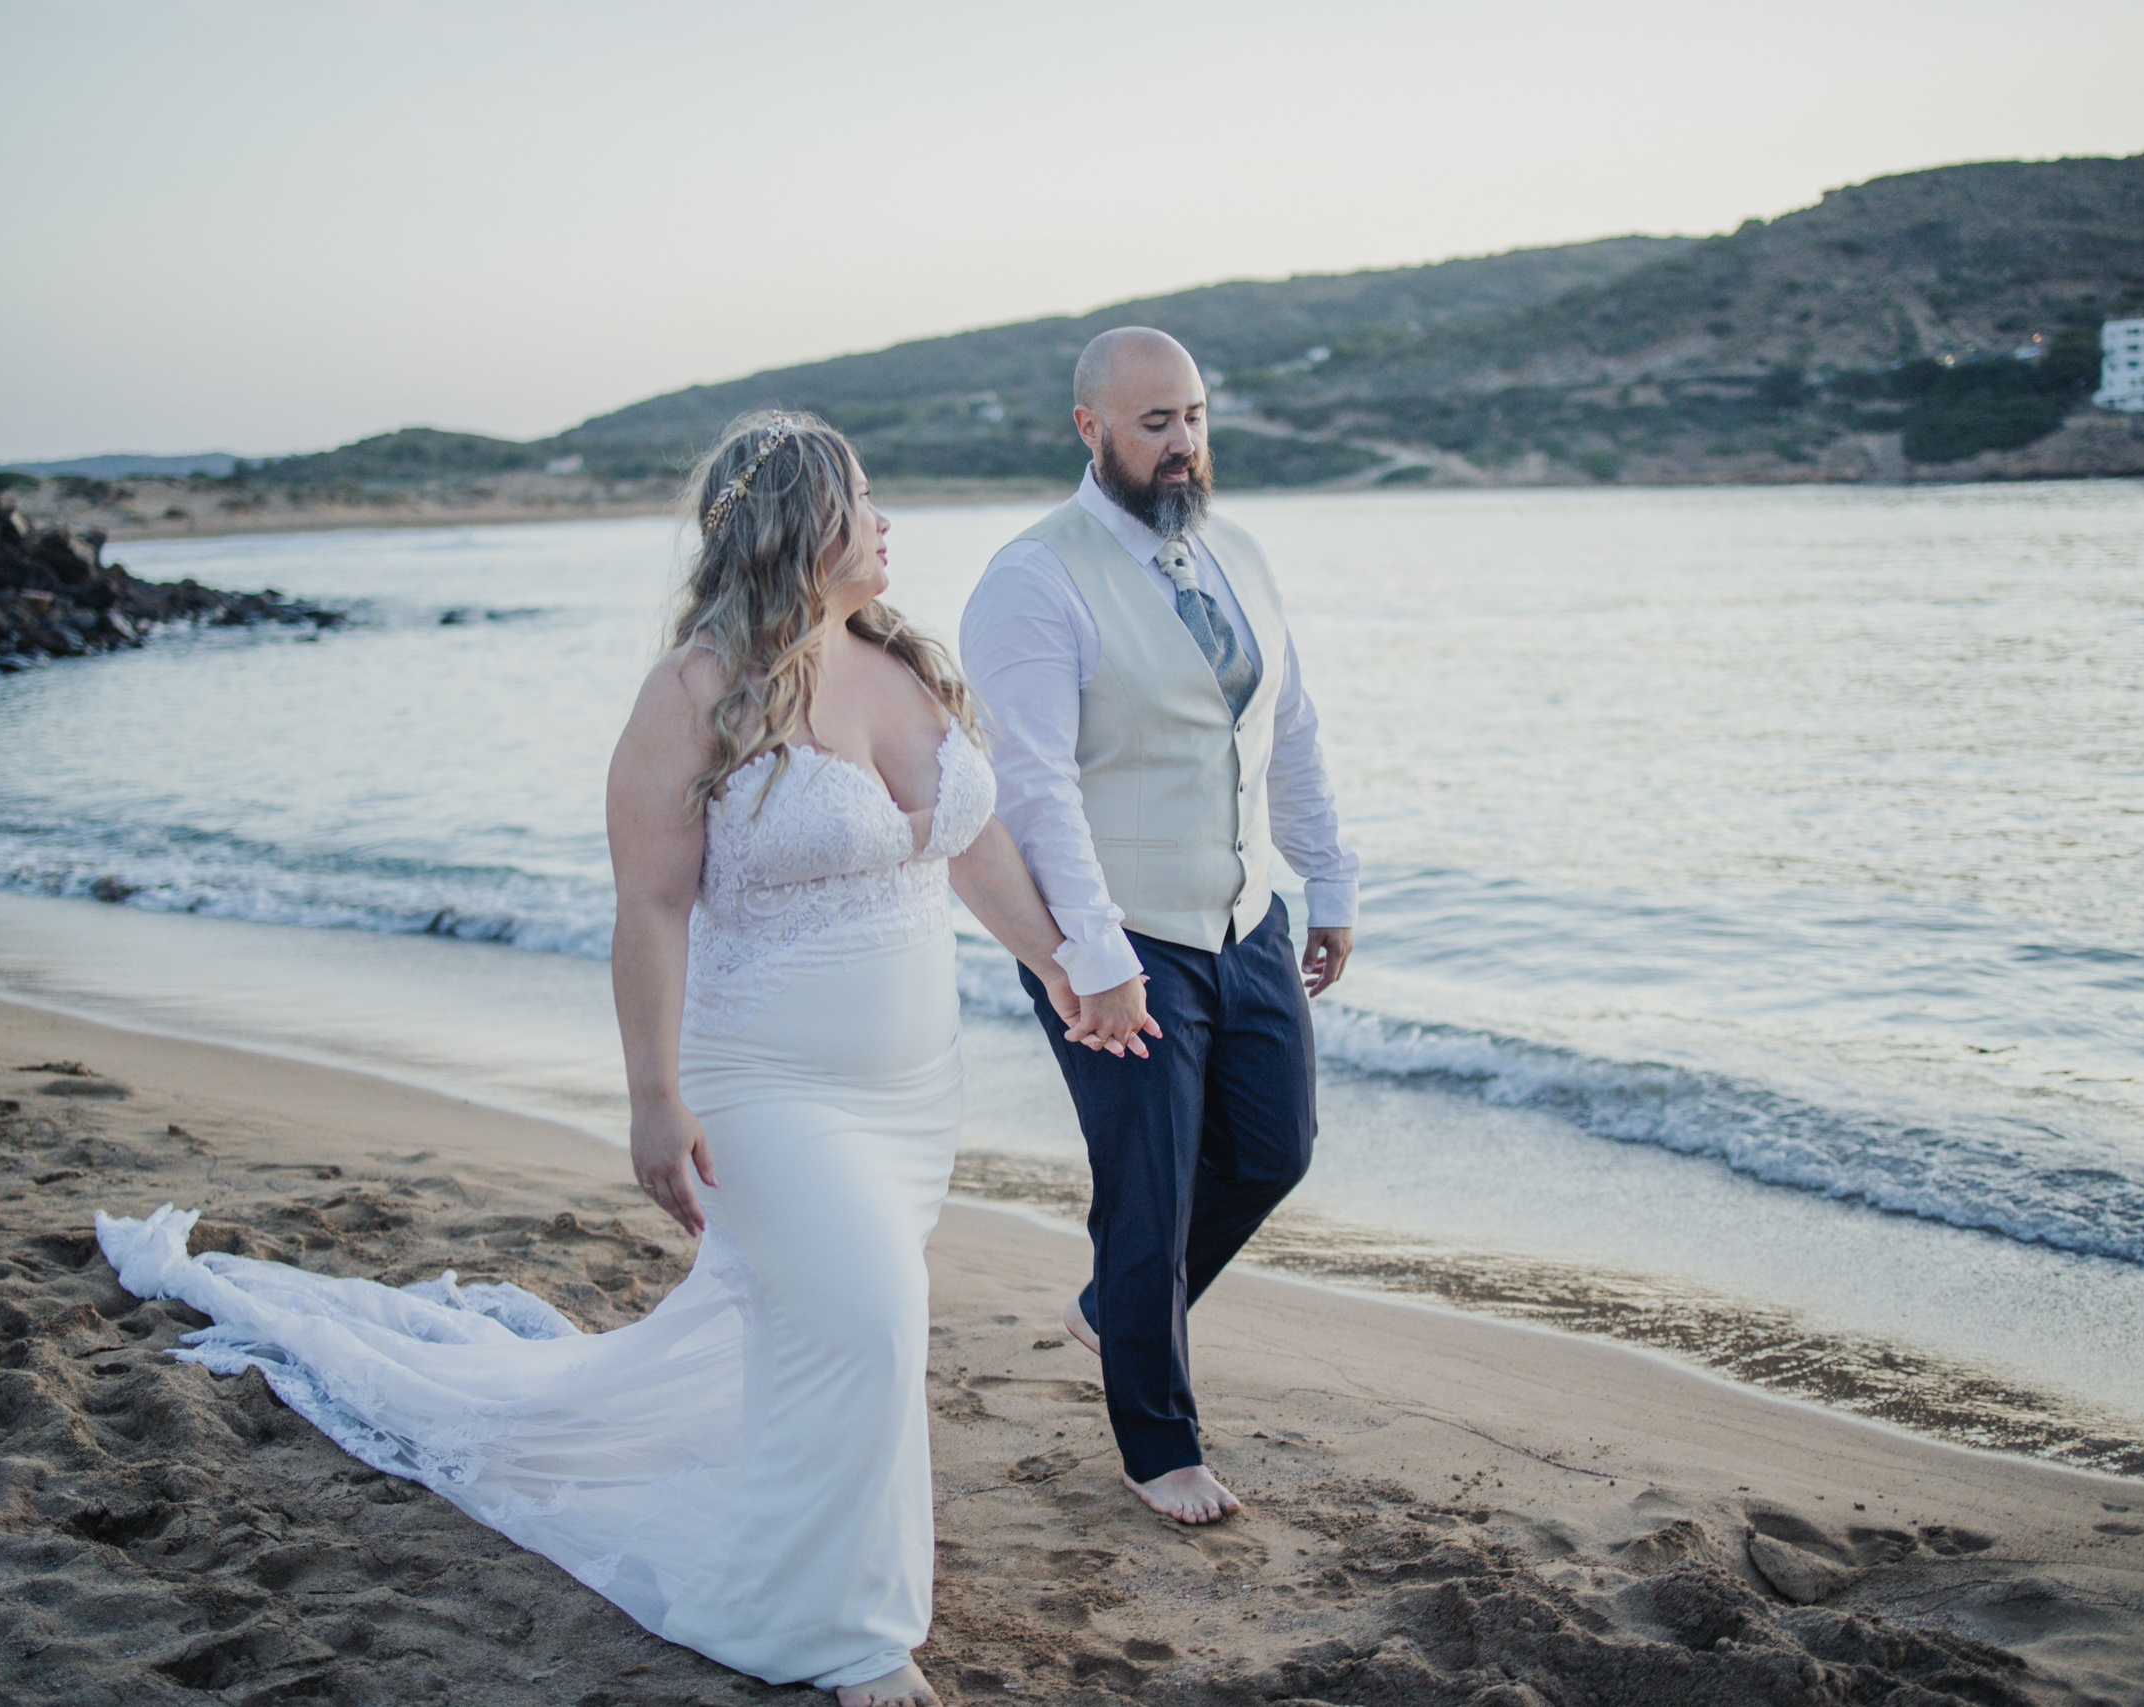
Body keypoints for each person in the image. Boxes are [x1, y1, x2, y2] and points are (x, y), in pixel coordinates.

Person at [100, 411, 1097, 1707]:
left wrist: (1064, 964)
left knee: (829, 1336)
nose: (889, 522)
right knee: (870, 1315)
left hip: (916, 1091)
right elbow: (651, 909)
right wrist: (651, 1098)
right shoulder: (695, 690)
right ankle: (851, 1636)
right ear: (799, 526)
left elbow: (970, 847)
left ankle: (809, 1554)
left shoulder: (906, 664)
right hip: (768, 1084)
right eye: (864, 499)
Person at [958, 327, 1359, 1526]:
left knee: (1274, 1148)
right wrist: (1093, 956)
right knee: (1147, 1188)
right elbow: (1032, 787)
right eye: (1153, 424)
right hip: (1118, 931)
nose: (1181, 445)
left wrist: (1327, 882)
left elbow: (1290, 728)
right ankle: (1158, 1447)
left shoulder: (1236, 552)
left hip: (1242, 920)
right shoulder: (1033, 577)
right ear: (1089, 429)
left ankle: (1111, 1312)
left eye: (1191, 418)